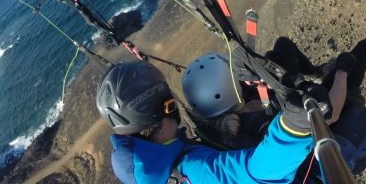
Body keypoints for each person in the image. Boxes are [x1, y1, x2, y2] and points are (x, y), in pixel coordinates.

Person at [182, 0, 366, 173]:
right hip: (322, 123)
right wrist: (341, 71)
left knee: (281, 47)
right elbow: (329, 115)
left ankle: (318, 73)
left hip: (294, 107)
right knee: (361, 52)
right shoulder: (253, 124)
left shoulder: (225, 120)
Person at [97, 60, 329, 184]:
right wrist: (293, 128)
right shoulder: (193, 171)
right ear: (167, 107)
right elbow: (257, 173)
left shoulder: (148, 171)